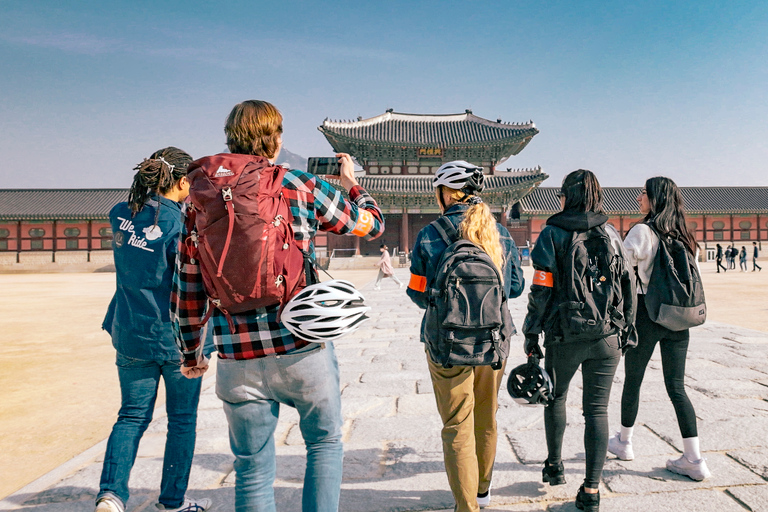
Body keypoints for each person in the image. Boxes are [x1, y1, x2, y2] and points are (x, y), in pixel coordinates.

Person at [172, 100, 384, 512]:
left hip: (236, 353)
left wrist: (192, 353)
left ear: (230, 138)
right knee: (324, 444)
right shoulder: (299, 185)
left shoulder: (198, 200)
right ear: (276, 139)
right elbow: (370, 225)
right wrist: (352, 184)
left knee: (251, 468)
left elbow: (188, 286)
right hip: (302, 346)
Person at [96, 148, 212, 512]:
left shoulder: (120, 214)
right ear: (181, 182)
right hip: (177, 338)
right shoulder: (181, 225)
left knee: (131, 415)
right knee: (181, 420)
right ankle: (172, 502)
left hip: (130, 330)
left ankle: (111, 495)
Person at [407, 161, 524, 512]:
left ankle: (466, 506)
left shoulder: (430, 234)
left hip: (446, 342)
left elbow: (417, 292)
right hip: (493, 340)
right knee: (486, 417)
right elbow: (515, 287)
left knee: (457, 423)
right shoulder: (499, 233)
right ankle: (483, 493)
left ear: (445, 192)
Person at [522, 169, 636, 512]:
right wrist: (626, 328)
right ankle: (591, 490)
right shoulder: (612, 233)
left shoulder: (551, 234)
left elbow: (541, 289)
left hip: (565, 334)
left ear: (566, 197)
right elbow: (627, 285)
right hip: (607, 336)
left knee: (556, 399)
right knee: (596, 410)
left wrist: (532, 331)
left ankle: (554, 465)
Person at [608, 176, 712, 481]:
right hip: (679, 317)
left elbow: (620, 269)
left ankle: (624, 442)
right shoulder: (686, 234)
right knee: (677, 387)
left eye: (643, 193)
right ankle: (694, 458)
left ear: (654, 199)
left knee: (634, 380)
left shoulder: (642, 230)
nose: (639, 197)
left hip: (647, 315)